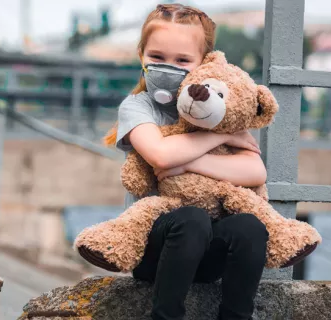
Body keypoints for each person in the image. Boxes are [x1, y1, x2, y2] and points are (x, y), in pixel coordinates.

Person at [103, 4, 269, 320]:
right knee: (190, 218)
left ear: (204, 62)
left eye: (182, 60)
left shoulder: (222, 107)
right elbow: (160, 155)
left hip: (209, 254)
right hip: (155, 250)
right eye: (157, 57)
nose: (169, 67)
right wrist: (220, 138)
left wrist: (187, 163)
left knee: (249, 227)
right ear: (141, 55)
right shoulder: (137, 107)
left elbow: (254, 171)